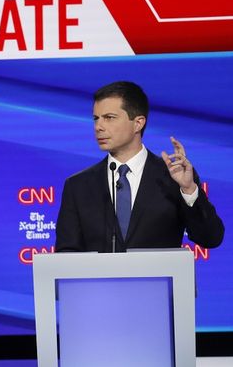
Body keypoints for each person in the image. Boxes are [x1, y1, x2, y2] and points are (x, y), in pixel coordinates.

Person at [55, 80, 224, 253]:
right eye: (96, 118)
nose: (98, 127)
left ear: (138, 123)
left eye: (109, 118)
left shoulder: (173, 176)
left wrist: (188, 190)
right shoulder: (78, 186)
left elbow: (211, 238)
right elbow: (66, 253)